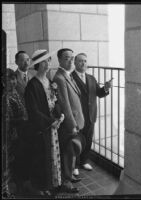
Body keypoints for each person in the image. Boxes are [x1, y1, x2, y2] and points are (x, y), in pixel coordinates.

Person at [24, 49, 64, 196]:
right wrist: (50, 122)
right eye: (47, 60)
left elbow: (56, 102)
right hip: (41, 128)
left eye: (49, 60)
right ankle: (39, 186)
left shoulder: (50, 82)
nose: (49, 63)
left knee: (51, 156)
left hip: (53, 126)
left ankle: (49, 184)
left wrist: (60, 116)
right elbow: (33, 111)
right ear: (40, 64)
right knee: (41, 157)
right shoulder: (32, 85)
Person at [72, 53, 112, 175]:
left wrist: (105, 88)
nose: (83, 63)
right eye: (80, 61)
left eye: (85, 61)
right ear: (75, 63)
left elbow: (99, 93)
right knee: (76, 140)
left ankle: (84, 161)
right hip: (77, 116)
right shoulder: (70, 78)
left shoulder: (91, 78)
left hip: (90, 116)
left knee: (88, 139)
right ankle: (74, 165)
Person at [52, 48, 86, 193]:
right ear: (59, 60)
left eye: (72, 58)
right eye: (67, 58)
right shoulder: (59, 78)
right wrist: (72, 125)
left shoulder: (67, 75)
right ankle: (66, 182)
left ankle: (70, 175)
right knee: (67, 152)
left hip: (76, 120)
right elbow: (65, 104)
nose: (71, 61)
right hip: (69, 123)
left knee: (71, 151)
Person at [3, 68, 28, 197]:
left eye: (13, 79)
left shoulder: (15, 92)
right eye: (9, 79)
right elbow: (7, 120)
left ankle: (19, 184)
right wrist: (22, 119)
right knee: (13, 161)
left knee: (19, 159)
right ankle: (15, 187)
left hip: (20, 132)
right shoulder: (5, 97)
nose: (12, 82)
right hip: (11, 135)